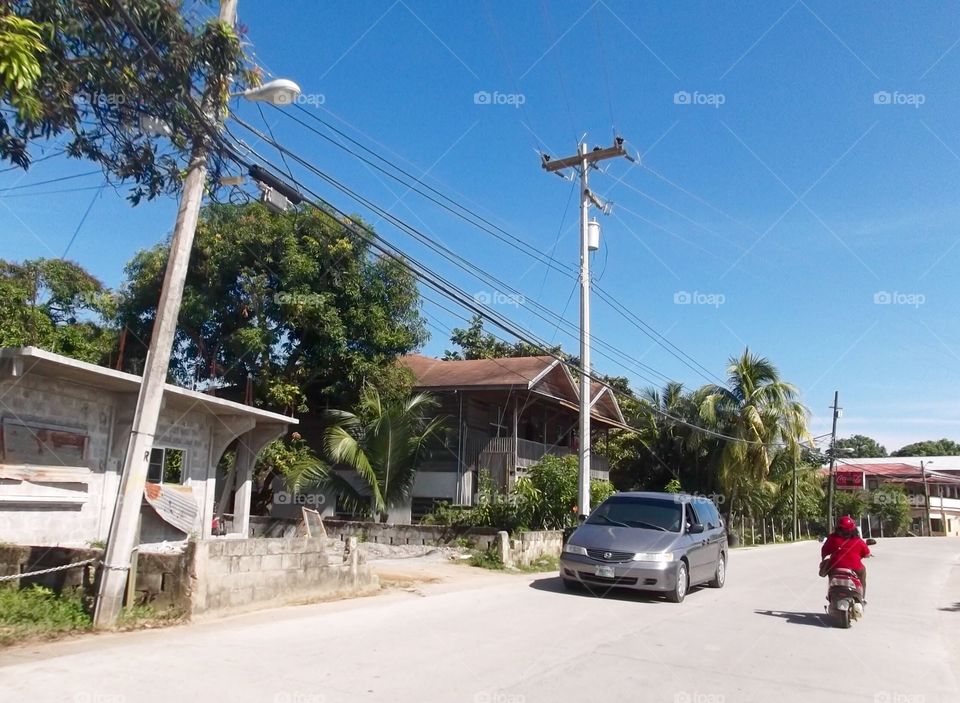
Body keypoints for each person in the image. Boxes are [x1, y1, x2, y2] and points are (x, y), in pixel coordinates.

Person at [820, 515, 871, 601]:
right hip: (856, 568)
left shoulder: (832, 538)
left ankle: (831, 593)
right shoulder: (858, 540)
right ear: (854, 528)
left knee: (831, 574)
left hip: (835, 566)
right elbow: (867, 554)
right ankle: (861, 598)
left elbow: (824, 551)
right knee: (862, 575)